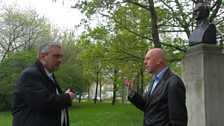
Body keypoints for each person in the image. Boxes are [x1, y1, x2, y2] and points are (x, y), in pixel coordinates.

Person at [12, 41, 74, 126]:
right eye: (56, 56)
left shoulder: (48, 74)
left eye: (61, 56)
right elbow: (44, 103)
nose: (60, 60)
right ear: (42, 56)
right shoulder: (30, 75)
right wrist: (67, 97)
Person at [123, 48, 188, 126]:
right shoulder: (153, 81)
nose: (144, 62)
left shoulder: (173, 83)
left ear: (158, 61)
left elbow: (179, 120)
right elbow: (146, 106)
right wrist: (133, 93)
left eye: (148, 59)